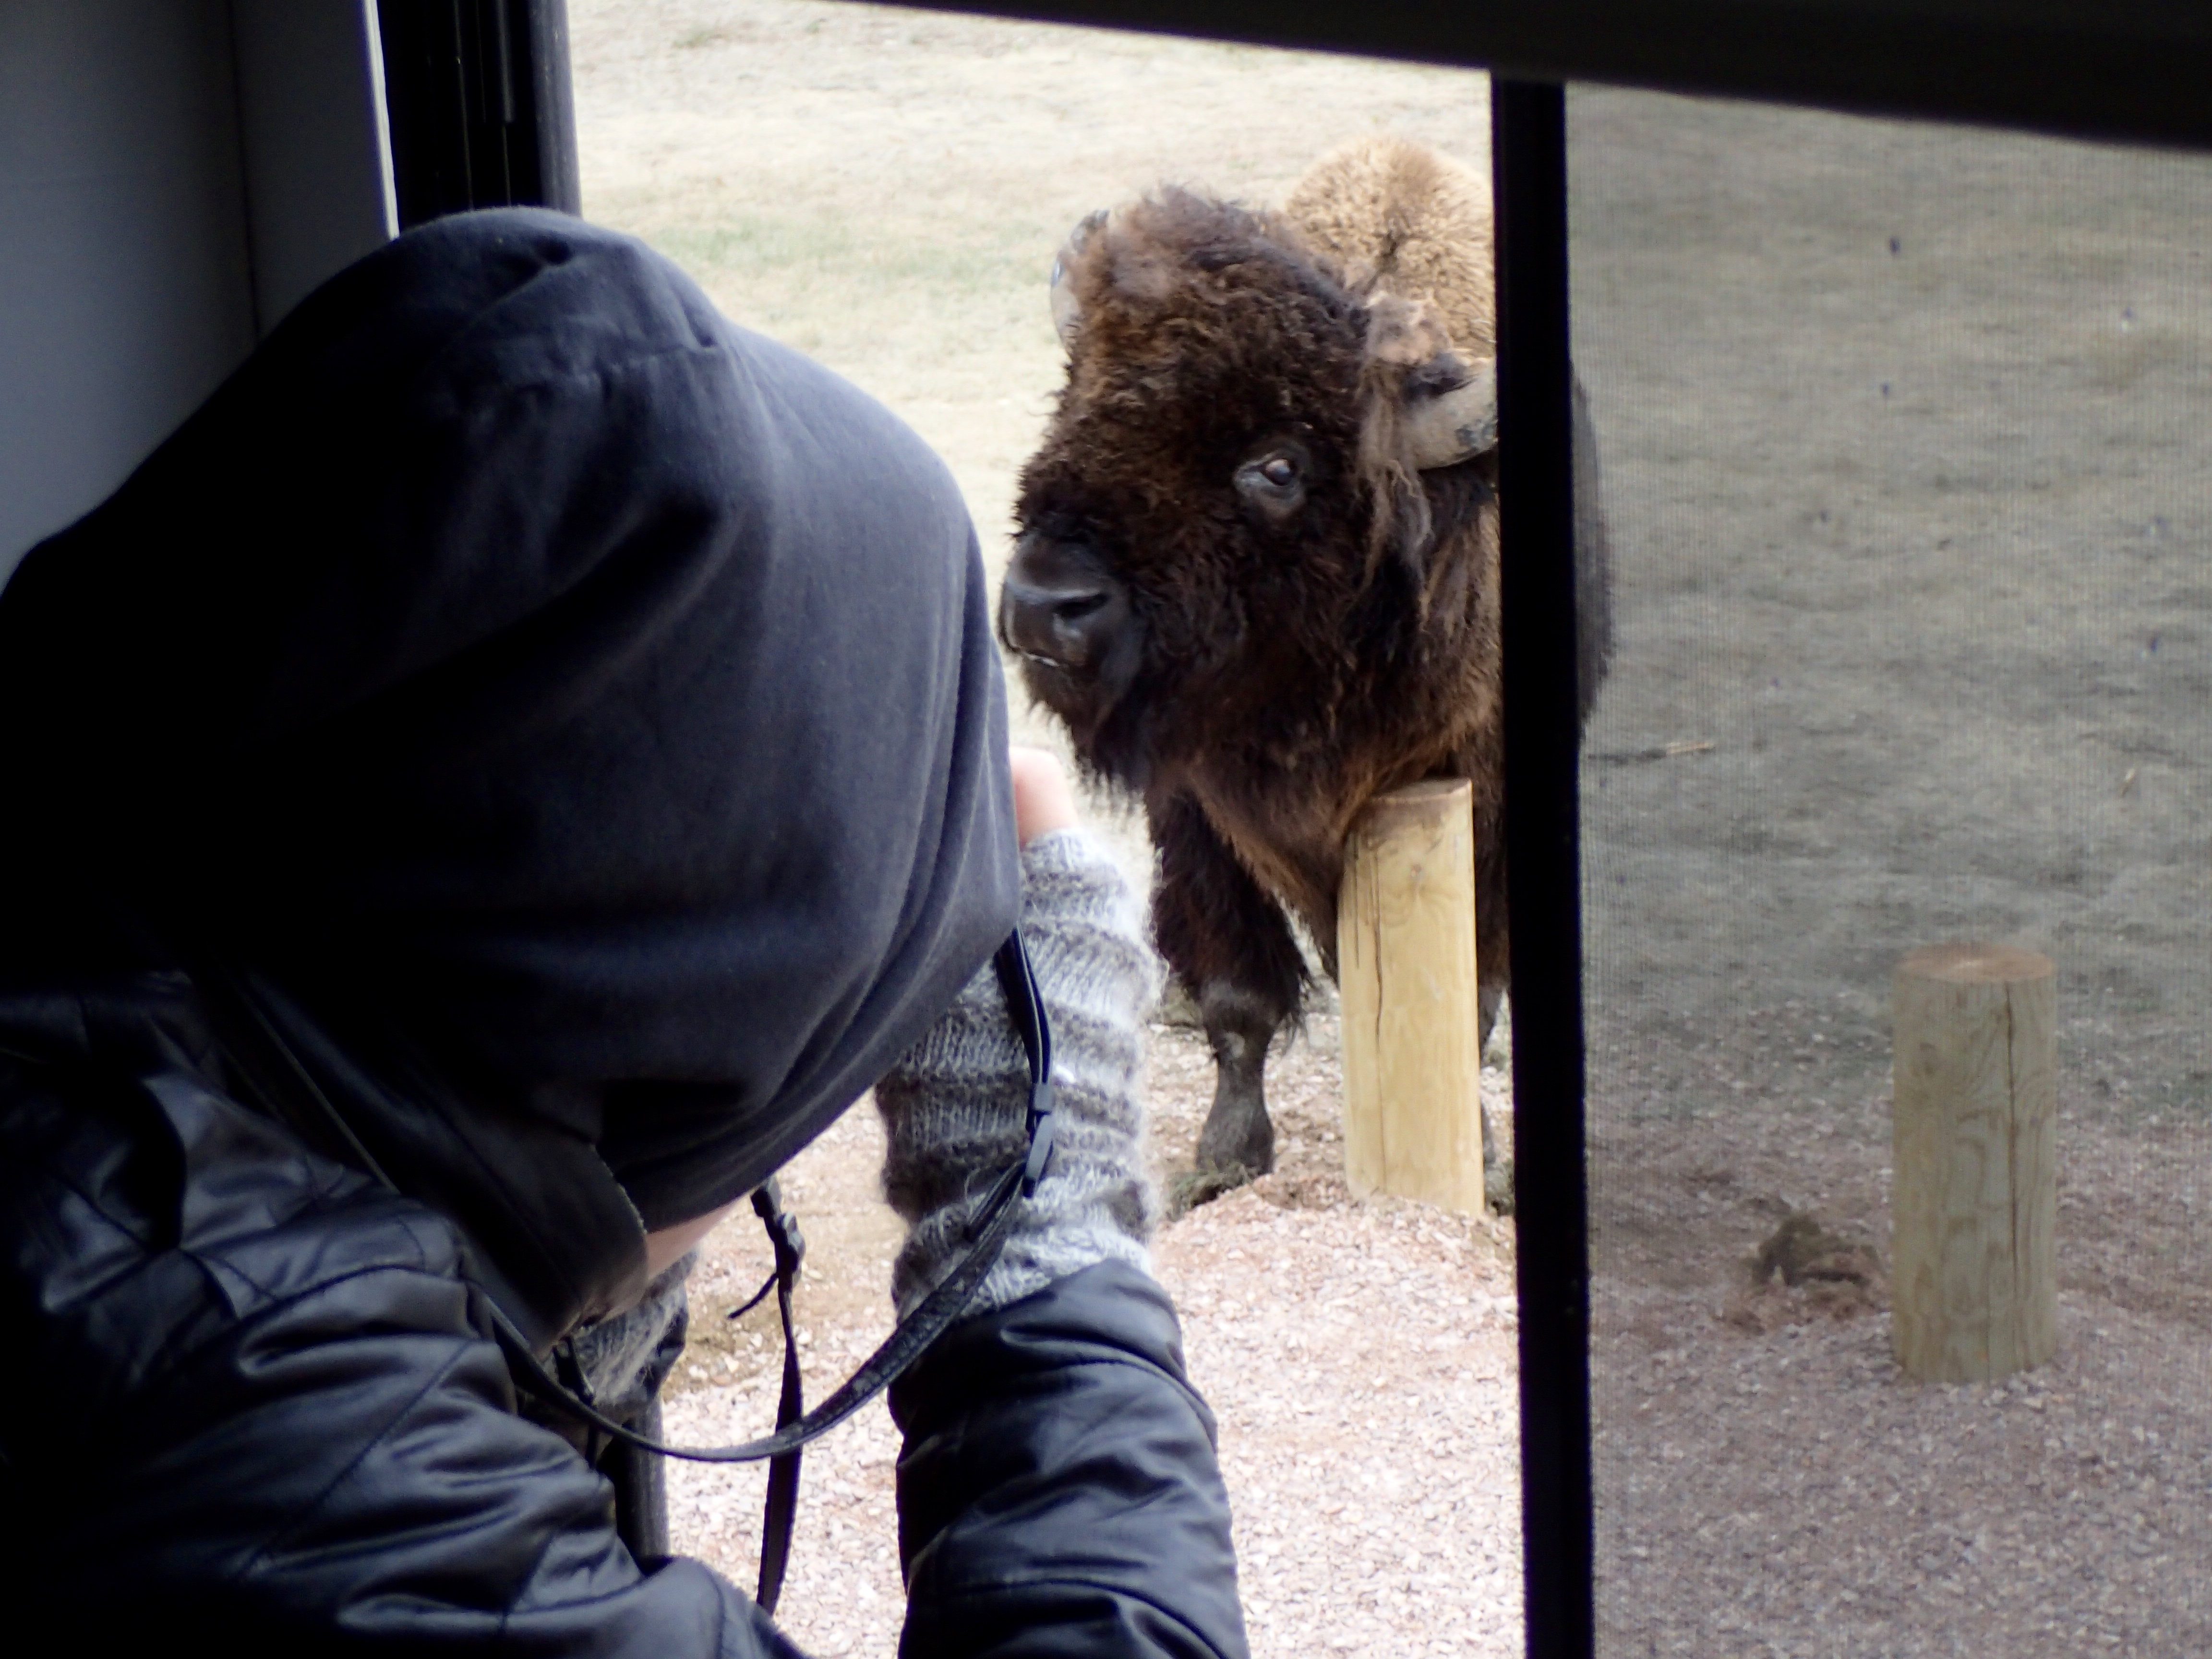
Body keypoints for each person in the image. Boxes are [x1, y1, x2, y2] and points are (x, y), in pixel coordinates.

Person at [0, 208, 1247, 1657]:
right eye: (812, 1065)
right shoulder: (246, 1434)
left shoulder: (102, 1083)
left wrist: (554, 1273)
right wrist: (1039, 1196)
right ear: (639, 1073)